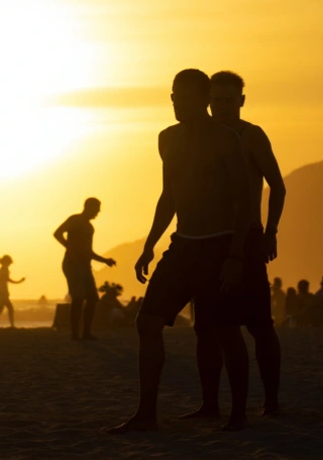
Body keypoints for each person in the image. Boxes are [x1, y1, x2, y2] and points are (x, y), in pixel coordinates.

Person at [108, 69, 252, 434]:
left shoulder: (226, 140)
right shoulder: (167, 139)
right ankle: (146, 414)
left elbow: (245, 199)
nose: (175, 102)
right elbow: (168, 196)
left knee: (223, 329)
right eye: (173, 95)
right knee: (147, 322)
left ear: (203, 99)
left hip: (220, 245)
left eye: (184, 96)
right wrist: (149, 245)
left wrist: (236, 254)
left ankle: (236, 414)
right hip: (183, 245)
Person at [184, 70, 286, 420]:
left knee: (259, 324)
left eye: (229, 100)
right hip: (208, 241)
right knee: (205, 327)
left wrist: (271, 231)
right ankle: (210, 404)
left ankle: (271, 401)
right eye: (216, 101)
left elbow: (278, 186)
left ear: (241, 101)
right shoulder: (202, 137)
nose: (223, 107)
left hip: (249, 237)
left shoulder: (251, 136)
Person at [53, 198, 117, 341]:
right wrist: (70, 248)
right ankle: (75, 334)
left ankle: (86, 332)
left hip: (85, 265)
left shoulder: (89, 227)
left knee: (93, 298)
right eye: (97, 209)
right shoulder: (75, 220)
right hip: (72, 264)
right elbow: (57, 233)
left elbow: (88, 251)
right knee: (78, 298)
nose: (98, 212)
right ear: (89, 207)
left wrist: (105, 260)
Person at [0, 255, 24, 328]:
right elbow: (7, 279)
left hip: (1, 291)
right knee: (9, 308)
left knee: (1, 308)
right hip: (2, 292)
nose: (10, 264)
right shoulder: (4, 269)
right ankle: (11, 325)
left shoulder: (3, 269)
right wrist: (19, 281)